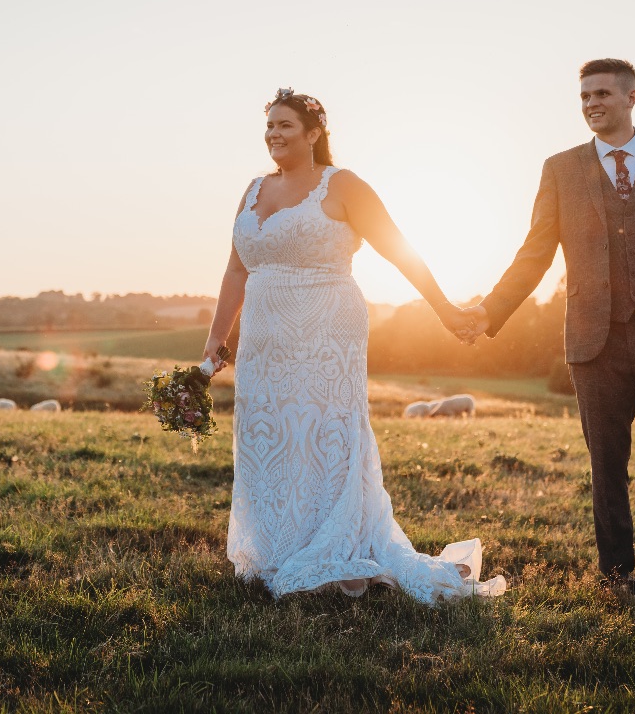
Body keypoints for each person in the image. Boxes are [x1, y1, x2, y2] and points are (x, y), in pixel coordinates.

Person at [203, 88, 506, 604]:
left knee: (327, 434)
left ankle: (338, 546)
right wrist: (215, 343)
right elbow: (236, 267)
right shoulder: (254, 189)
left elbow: (398, 249)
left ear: (314, 133)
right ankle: (277, 548)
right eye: (269, 126)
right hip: (264, 335)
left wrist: (445, 309)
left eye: (286, 126)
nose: (274, 135)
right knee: (270, 437)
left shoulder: (342, 185)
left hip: (327, 328)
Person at [461, 59, 635, 616]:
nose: (591, 104)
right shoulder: (560, 169)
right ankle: (616, 579)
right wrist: (490, 312)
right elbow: (534, 254)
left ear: (633, 96)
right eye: (584, 96)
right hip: (595, 342)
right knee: (607, 466)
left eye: (602, 93)